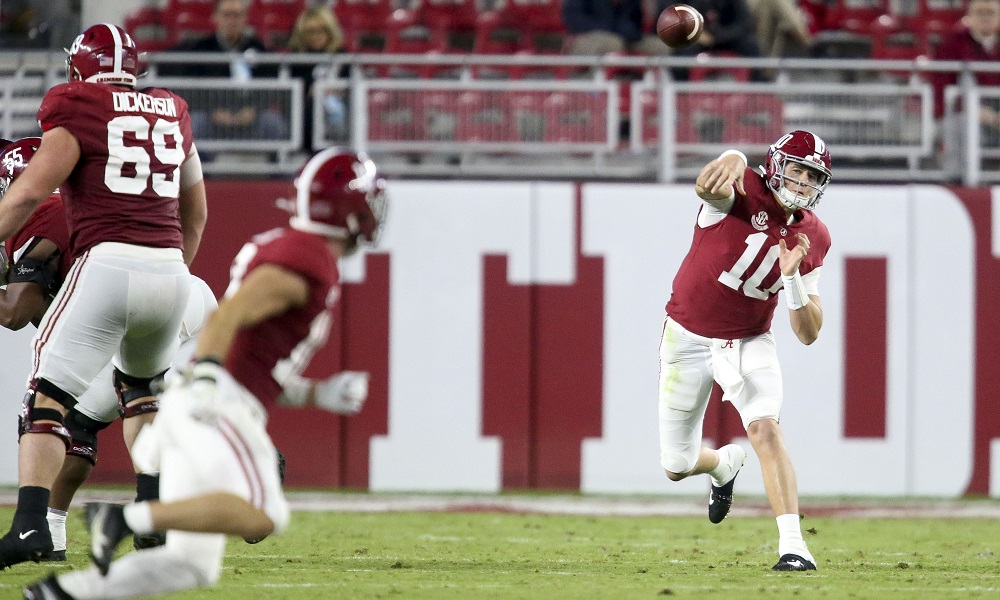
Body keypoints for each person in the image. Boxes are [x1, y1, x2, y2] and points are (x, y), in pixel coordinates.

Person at [23, 147, 388, 599]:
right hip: (213, 403)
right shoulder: (307, 257)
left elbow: (256, 361)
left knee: (188, 565)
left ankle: (61, 594)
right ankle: (121, 519)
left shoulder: (301, 251)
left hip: (206, 394)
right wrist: (211, 384)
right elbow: (226, 318)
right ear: (347, 209)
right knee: (263, 512)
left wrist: (315, 395)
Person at [0, 22, 208, 569]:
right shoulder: (172, 110)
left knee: (46, 398)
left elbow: (27, 194)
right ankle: (151, 509)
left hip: (109, 263)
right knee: (142, 391)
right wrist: (170, 269)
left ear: (76, 69)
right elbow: (197, 212)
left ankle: (30, 527)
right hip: (172, 271)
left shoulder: (76, 104)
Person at [658, 130, 831, 571]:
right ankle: (723, 464)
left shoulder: (815, 236)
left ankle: (794, 546)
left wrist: (792, 279)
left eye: (813, 176)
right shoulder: (744, 190)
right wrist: (731, 155)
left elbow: (808, 332)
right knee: (676, 465)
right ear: (774, 165)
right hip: (688, 336)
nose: (803, 183)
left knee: (766, 431)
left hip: (749, 340)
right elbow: (706, 187)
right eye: (796, 170)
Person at [172, 0, 289, 144]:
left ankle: (278, 167)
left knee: (274, 124)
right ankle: (200, 167)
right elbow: (190, 90)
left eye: (237, 15)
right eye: (227, 15)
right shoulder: (201, 49)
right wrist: (212, 111)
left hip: (252, 115)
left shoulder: (259, 48)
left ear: (245, 18)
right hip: (211, 116)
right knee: (194, 124)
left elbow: (270, 86)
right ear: (215, 17)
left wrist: (254, 110)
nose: (232, 20)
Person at [928, 0, 1000, 147]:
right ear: (969, 16)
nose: (985, 17)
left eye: (991, 13)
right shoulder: (951, 46)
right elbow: (941, 87)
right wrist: (971, 108)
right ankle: (958, 171)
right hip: (965, 112)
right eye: (980, 12)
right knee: (963, 125)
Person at [287, 5, 348, 151]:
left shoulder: (343, 57)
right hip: (306, 117)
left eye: (321, 30)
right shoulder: (296, 60)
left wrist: (333, 91)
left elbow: (351, 88)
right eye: (310, 31)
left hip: (340, 114)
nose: (316, 35)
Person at [562, 0, 671, 57]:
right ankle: (593, 90)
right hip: (587, 36)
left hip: (623, 38)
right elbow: (574, 19)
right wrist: (611, 28)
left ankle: (657, 91)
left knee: (661, 46)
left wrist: (631, 31)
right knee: (613, 43)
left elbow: (636, 21)